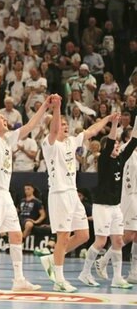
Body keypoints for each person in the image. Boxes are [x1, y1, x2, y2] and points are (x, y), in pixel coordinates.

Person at [0, 76, 52, 294]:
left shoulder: (8, 139)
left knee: (16, 233)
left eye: (3, 119)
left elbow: (30, 125)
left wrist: (45, 106)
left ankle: (19, 279)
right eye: (0, 118)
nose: (2, 119)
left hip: (4, 194)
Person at [40, 97, 114, 293]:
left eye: (66, 124)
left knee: (83, 234)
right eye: (61, 123)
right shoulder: (49, 143)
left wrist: (107, 118)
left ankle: (53, 257)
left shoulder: (72, 141)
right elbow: (54, 129)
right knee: (63, 236)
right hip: (59, 194)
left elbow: (92, 131)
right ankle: (59, 279)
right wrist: (57, 108)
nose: (64, 126)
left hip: (72, 194)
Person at [78, 114, 137, 289]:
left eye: (118, 144)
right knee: (101, 242)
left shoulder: (120, 159)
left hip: (115, 207)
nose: (117, 146)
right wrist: (115, 123)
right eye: (115, 145)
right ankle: (85, 273)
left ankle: (117, 278)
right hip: (102, 206)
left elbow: (134, 140)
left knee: (118, 241)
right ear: (106, 148)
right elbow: (111, 140)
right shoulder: (104, 160)